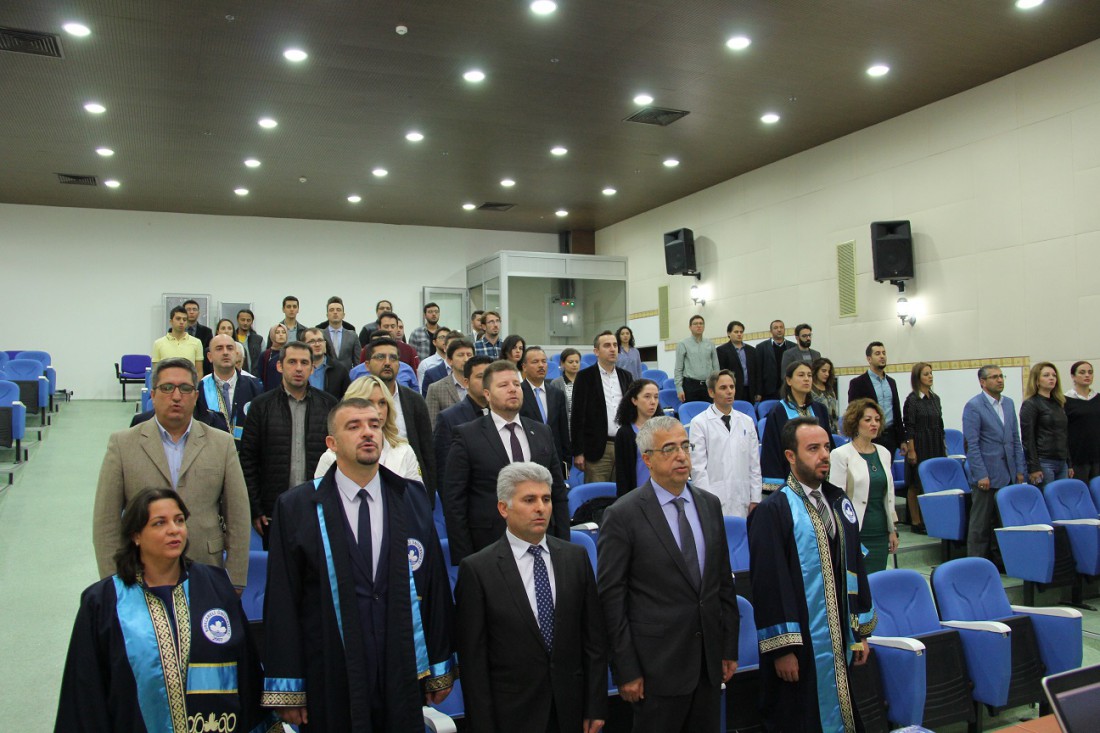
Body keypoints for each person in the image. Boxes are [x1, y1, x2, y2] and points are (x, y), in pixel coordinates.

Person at [261, 399, 455, 730]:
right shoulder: (297, 507)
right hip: (331, 670)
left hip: (400, 668)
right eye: (354, 426)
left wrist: (439, 667)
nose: (367, 432)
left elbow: (434, 585)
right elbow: (283, 599)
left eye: (374, 425)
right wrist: (288, 687)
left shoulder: (411, 498)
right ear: (332, 443)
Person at [57, 489, 275, 732]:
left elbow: (246, 673)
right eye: (159, 523)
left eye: (179, 520)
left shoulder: (216, 587)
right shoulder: (104, 602)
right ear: (135, 535)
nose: (174, 530)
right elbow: (85, 694)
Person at [597, 416, 738, 733]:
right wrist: (626, 669)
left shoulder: (709, 505)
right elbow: (612, 600)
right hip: (655, 670)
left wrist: (727, 647)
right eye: (669, 449)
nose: (681, 456)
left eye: (685, 446)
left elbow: (721, 584)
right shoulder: (623, 515)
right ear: (647, 459)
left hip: (707, 665)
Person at [455, 462, 608, 733]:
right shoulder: (478, 570)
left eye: (546, 499)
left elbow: (593, 641)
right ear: (503, 508)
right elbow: (473, 663)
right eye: (529, 500)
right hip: (512, 715)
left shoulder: (575, 558)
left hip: (571, 710)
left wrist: (595, 705)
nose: (541, 508)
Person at [748, 417, 876, 733]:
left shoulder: (839, 501)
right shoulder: (773, 510)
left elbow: (855, 567)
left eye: (827, 447)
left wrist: (859, 632)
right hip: (801, 645)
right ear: (790, 456)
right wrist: (783, 650)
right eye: (813, 448)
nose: (824, 455)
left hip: (840, 638)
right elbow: (769, 584)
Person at [93, 358, 250, 587]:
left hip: (205, 570)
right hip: (139, 575)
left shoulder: (221, 444)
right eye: (167, 388)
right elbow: (106, 522)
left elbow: (238, 517)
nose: (176, 396)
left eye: (185, 388)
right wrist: (111, 584)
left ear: (195, 396)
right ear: (153, 395)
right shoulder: (122, 444)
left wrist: (235, 582)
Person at [443, 360, 569, 565]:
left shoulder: (542, 432)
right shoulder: (467, 436)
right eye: (503, 385)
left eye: (516, 384)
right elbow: (454, 501)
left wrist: (563, 544)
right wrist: (465, 559)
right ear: (487, 394)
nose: (512, 389)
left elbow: (558, 493)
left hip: (542, 539)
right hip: (488, 543)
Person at [239, 340, 337, 548]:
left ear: (312, 368)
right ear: (279, 366)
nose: (298, 368)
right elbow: (248, 460)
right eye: (292, 362)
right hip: (274, 511)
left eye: (304, 363)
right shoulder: (261, 406)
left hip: (318, 509)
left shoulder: (329, 405)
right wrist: (255, 508)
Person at [962, 365, 1026, 560]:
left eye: (1001, 376)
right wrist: (981, 474)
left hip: (1008, 474)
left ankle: (1001, 561)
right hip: (987, 475)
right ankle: (975, 563)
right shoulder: (974, 406)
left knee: (1004, 522)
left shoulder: (1009, 403)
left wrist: (1019, 469)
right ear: (982, 382)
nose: (999, 380)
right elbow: (972, 445)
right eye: (994, 377)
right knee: (980, 525)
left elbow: (1015, 439)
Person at [362, 336, 436, 501]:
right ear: (367, 365)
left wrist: (428, 497)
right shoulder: (354, 400)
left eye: (393, 358)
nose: (387, 363)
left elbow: (427, 451)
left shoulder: (414, 400)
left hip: (407, 485)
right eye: (380, 357)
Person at [829, 399, 898, 573]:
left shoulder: (884, 453)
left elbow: (889, 495)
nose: (874, 424)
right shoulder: (840, 454)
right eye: (868, 420)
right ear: (855, 422)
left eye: (877, 419)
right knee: (857, 582)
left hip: (881, 531)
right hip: (857, 531)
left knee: (878, 580)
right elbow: (836, 498)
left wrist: (892, 530)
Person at [314, 375, 422, 483]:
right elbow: (320, 493)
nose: (377, 410)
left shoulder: (404, 451)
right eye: (368, 403)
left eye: (382, 403)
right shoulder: (330, 458)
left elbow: (416, 492)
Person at [690, 370, 761, 517]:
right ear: (711, 392)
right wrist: (706, 502)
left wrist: (755, 498)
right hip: (714, 498)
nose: (729, 391)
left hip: (743, 498)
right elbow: (698, 468)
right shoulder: (699, 423)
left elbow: (754, 464)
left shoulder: (747, 421)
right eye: (723, 388)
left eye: (731, 387)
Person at [571, 331, 633, 483]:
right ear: (596, 351)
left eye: (615, 345)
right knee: (597, 495)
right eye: (607, 346)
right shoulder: (585, 377)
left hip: (623, 446)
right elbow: (577, 416)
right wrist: (578, 452)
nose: (612, 349)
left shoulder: (626, 376)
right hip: (597, 449)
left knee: (623, 493)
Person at [760, 361, 833, 481]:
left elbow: (829, 445)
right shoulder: (778, 411)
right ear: (789, 380)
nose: (806, 379)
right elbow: (772, 450)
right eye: (801, 375)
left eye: (809, 375)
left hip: (819, 475)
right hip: (790, 476)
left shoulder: (820, 409)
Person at [196, 333, 263, 445]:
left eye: (230, 348)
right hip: (213, 449)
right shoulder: (202, 387)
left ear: (236, 354)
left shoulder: (255, 386)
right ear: (210, 357)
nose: (225, 352)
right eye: (219, 348)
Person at [433, 356, 492, 481]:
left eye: (490, 377)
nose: (486, 382)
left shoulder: (501, 413)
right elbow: (444, 468)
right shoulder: (449, 418)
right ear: (466, 382)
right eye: (480, 377)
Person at [903, 362, 944, 533]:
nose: (930, 376)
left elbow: (940, 423)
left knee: (933, 482)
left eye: (931, 373)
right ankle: (916, 521)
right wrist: (911, 450)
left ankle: (931, 519)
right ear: (917, 378)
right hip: (919, 444)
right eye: (926, 374)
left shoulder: (935, 398)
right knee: (916, 483)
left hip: (935, 443)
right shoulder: (912, 400)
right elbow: (909, 427)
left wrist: (943, 445)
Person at [847, 341, 907, 458]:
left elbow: (896, 412)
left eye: (884, 353)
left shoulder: (891, 382)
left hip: (890, 435)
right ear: (869, 359)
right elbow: (853, 413)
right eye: (878, 353)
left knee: (887, 467)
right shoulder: (858, 383)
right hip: (868, 436)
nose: (882, 356)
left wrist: (902, 439)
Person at [1020, 361, 1072, 488]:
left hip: (1062, 461)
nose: (1051, 378)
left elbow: (1064, 435)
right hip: (1043, 461)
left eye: (1054, 375)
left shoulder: (1059, 403)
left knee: (1060, 496)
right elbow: (1028, 439)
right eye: (1046, 375)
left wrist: (1069, 463)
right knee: (1047, 496)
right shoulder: (1031, 404)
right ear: (1037, 380)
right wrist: (1033, 467)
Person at [520, 346, 571, 468]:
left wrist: (567, 460)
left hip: (555, 459)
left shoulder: (557, 393)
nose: (541, 365)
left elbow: (563, 429)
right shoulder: (518, 393)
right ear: (524, 367)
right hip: (528, 459)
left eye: (544, 361)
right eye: (535, 362)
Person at [613, 379, 661, 497]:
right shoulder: (625, 433)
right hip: (637, 496)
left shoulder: (664, 430)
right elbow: (622, 475)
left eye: (656, 397)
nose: (653, 402)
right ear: (634, 400)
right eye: (647, 397)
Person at [1064, 361, 1100, 481]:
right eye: (1082, 372)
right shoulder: (1065, 400)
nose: (1087, 375)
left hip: (1097, 456)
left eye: (1090, 372)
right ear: (1073, 376)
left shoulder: (1098, 398)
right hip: (1078, 458)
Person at [425, 337, 473, 427]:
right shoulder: (436, 389)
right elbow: (432, 425)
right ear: (450, 361)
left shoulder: (481, 386)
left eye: (469, 355)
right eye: (461, 355)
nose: (466, 359)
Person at [674, 315, 718, 403]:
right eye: (695, 324)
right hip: (690, 386)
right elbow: (678, 369)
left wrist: (716, 385)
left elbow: (716, 366)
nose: (699, 326)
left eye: (701, 323)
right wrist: (679, 389)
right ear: (690, 327)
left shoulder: (710, 344)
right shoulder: (683, 344)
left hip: (708, 385)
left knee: (709, 410)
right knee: (692, 410)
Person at [152, 305, 204, 377]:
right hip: (167, 382)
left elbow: (199, 372)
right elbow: (155, 372)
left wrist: (196, 384)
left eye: (184, 319)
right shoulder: (158, 343)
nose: (181, 322)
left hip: (187, 383)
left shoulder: (196, 342)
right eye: (178, 319)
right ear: (171, 321)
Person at [303, 327, 351, 400]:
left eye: (320, 340)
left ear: (325, 344)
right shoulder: (298, 369)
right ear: (303, 345)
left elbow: (347, 397)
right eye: (312, 341)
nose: (317, 344)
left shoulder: (339, 370)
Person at [716, 320, 756, 404]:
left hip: (750, 390)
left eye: (741, 332)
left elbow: (757, 371)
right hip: (732, 389)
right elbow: (722, 372)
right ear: (729, 333)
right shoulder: (722, 350)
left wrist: (758, 391)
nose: (739, 334)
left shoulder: (751, 350)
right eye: (736, 332)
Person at [755, 319, 795, 402]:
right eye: (776, 328)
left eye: (781, 327)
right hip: (768, 390)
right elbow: (758, 370)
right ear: (771, 331)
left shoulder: (793, 346)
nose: (779, 330)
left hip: (788, 388)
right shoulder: (761, 347)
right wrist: (758, 391)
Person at [322, 296, 361, 371]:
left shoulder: (353, 336)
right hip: (326, 374)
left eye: (338, 310)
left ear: (343, 315)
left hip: (347, 375)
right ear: (327, 315)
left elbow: (357, 361)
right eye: (331, 310)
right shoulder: (320, 335)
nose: (335, 312)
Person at [550, 347, 582, 439]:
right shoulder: (556, 383)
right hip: (564, 430)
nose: (574, 364)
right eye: (571, 362)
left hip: (582, 429)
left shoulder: (585, 381)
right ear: (562, 363)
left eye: (577, 362)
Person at [183, 299, 215, 377]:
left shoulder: (207, 331)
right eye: (188, 309)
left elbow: (209, 352)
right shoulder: (175, 331)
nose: (191, 312)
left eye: (194, 309)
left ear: (198, 313)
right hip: (182, 368)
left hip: (202, 371)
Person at [810, 357, 839, 435]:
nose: (827, 374)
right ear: (816, 370)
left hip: (832, 430)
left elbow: (835, 414)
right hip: (816, 429)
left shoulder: (830, 389)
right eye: (823, 371)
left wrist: (837, 429)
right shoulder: (810, 389)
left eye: (828, 371)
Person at [259, 323, 288, 391]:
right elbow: (260, 376)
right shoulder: (265, 355)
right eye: (277, 332)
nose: (281, 335)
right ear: (272, 335)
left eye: (283, 332)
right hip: (270, 392)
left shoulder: (290, 353)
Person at [235, 308, 263, 374]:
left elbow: (263, 360)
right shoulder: (232, 339)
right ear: (238, 320)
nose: (245, 323)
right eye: (242, 320)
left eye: (248, 320)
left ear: (252, 322)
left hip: (254, 376)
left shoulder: (259, 340)